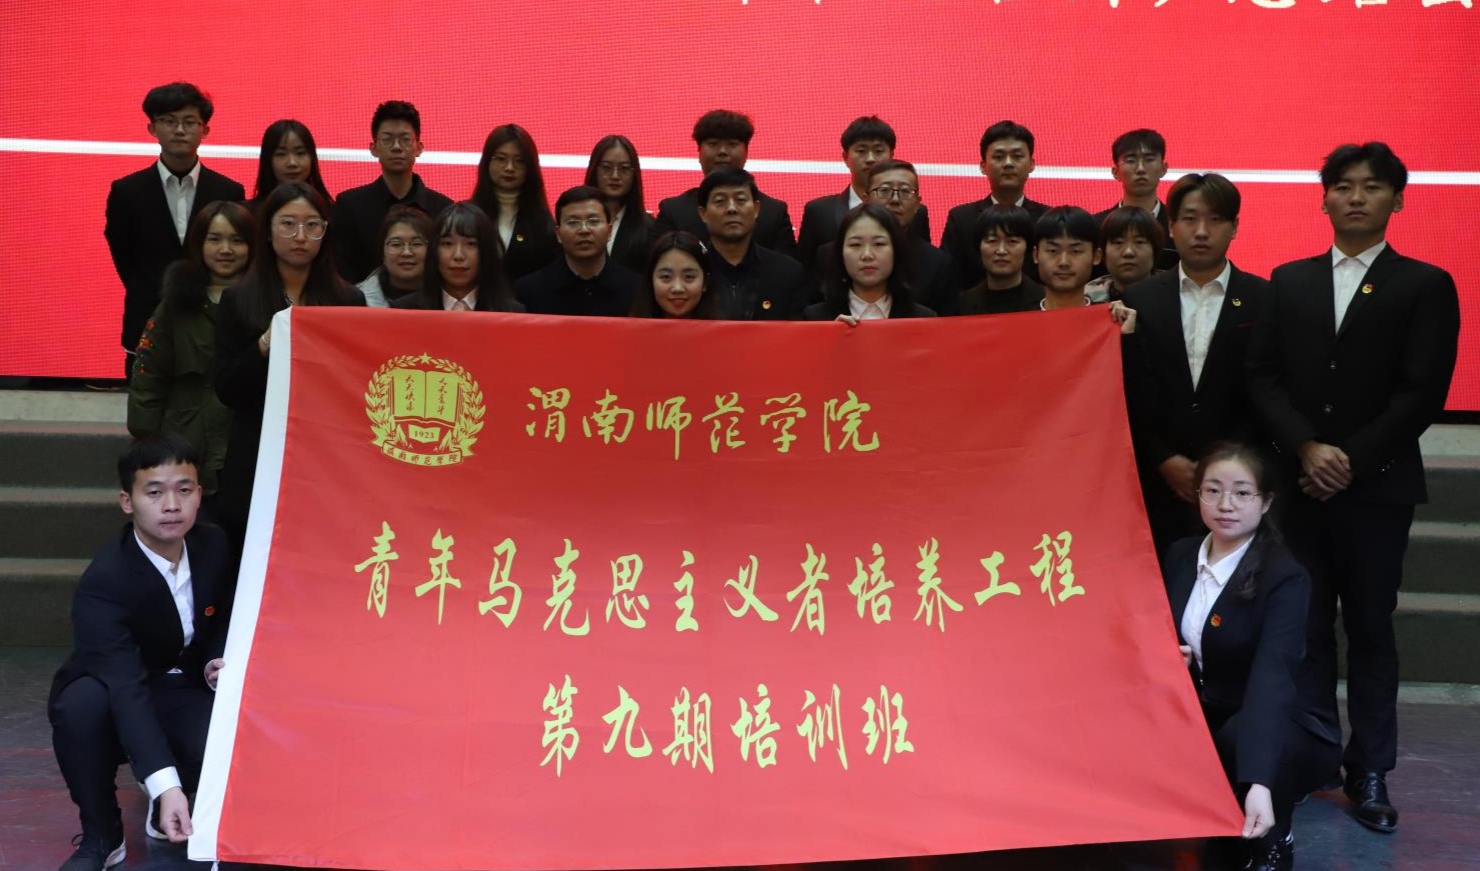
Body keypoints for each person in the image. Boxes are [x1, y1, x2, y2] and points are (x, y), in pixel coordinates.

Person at [1247, 142, 1460, 834]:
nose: (1357, 197)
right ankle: (1310, 757)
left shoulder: (1425, 284)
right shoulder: (1289, 280)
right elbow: (1263, 378)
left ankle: (1370, 768)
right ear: (1324, 199)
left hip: (1377, 489)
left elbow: (1422, 391)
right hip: (1299, 486)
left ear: (1398, 199)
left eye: (1372, 186)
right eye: (1343, 186)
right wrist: (1306, 449)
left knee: (1369, 627)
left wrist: (1349, 460)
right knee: (1302, 627)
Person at [49, 434, 233, 871]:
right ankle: (102, 834)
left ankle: (168, 799)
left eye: (184, 490)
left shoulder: (214, 545)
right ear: (126, 502)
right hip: (118, 690)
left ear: (199, 494)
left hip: (183, 684)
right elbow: (126, 687)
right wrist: (164, 782)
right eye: (154, 492)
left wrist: (216, 660)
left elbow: (226, 615)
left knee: (228, 731)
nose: (171, 505)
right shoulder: (105, 581)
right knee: (81, 707)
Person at [1162, 443, 1340, 871]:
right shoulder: (1181, 555)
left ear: (1266, 502)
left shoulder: (1285, 577)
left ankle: (1274, 838)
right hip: (1210, 708)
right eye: (1213, 490)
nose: (1226, 504)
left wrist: (1259, 780)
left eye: (1242, 493)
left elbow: (1272, 680)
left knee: (1236, 736)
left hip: (1283, 721)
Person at [1114, 174, 1269, 561]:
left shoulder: (1263, 297)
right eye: (1189, 219)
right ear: (1171, 226)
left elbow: (1267, 385)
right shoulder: (1141, 298)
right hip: (1157, 479)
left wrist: (1223, 462)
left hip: (1237, 481)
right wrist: (1163, 458)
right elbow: (1131, 388)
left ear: (1234, 226)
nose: (1201, 231)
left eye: (1215, 220)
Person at [215, 183, 365, 552]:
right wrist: (265, 344)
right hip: (258, 450)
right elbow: (228, 389)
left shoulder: (348, 299)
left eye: (312, 225)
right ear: (267, 232)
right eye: (288, 224)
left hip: (325, 453)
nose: (300, 236)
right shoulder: (238, 300)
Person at [105, 82, 246, 379]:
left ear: (205, 130)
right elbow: (123, 256)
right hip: (147, 317)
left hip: (211, 320)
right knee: (146, 403)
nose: (179, 130)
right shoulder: (126, 191)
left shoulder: (228, 191)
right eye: (169, 121)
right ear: (152, 128)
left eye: (189, 122)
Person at [128, 202, 255, 505]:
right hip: (185, 440)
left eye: (237, 240)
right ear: (199, 244)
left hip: (246, 442)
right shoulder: (176, 305)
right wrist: (148, 439)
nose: (226, 249)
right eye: (215, 239)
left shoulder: (264, 302)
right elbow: (149, 375)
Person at [333, 101, 454, 282]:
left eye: (405, 139)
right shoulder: (349, 206)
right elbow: (342, 273)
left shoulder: (443, 209)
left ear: (419, 147)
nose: (396, 147)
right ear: (373, 148)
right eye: (387, 139)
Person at [653, 109, 798, 260]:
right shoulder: (674, 211)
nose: (722, 151)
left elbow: (787, 268)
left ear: (746, 151)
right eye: (713, 144)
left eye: (732, 144)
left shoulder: (774, 212)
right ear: (699, 151)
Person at [796, 116, 932, 270]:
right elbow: (805, 270)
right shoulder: (819, 211)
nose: (870, 159)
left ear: (891, 155)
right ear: (845, 157)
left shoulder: (915, 211)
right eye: (861, 151)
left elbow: (924, 262)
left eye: (879, 151)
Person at [940, 120, 1050, 291]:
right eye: (999, 157)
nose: (1008, 163)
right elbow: (949, 280)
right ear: (983, 166)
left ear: (1031, 164)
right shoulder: (961, 219)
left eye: (1017, 156)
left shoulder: (1047, 219)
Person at [696, 166, 805, 320]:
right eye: (720, 201)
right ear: (703, 214)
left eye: (741, 200)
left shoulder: (787, 272)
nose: (732, 209)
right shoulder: (691, 272)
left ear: (756, 209)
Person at [517, 186, 638, 316]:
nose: (584, 230)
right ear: (558, 234)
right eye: (573, 222)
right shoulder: (528, 290)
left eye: (593, 221)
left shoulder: (637, 289)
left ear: (609, 231)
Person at [804, 203, 934, 321]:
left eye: (879, 244)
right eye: (855, 244)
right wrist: (830, 335)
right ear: (841, 253)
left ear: (896, 250)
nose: (867, 255)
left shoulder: (922, 319)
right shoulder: (816, 318)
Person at [394, 203, 523, 313]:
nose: (458, 256)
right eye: (447, 244)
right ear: (434, 251)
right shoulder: (404, 311)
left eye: (471, 244)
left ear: (486, 251)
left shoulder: (511, 313)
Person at [471, 123, 560, 281]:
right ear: (486, 162)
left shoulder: (544, 225)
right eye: (501, 159)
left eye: (519, 161)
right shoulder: (467, 216)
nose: (509, 168)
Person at [1093, 129, 1177, 270]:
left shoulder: (1178, 227)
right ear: (1115, 171)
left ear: (1164, 168)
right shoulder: (1096, 227)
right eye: (1131, 160)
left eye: (1149, 160)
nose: (1140, 169)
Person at [584, 134, 655, 273]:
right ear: (594, 170)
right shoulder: (574, 222)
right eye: (607, 167)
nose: (615, 176)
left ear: (634, 174)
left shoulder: (650, 229)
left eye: (624, 168)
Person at [957, 205, 1043, 315]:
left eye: (1012, 241)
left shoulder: (1046, 300)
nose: (1001, 251)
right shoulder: (962, 305)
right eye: (992, 241)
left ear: (1028, 248)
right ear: (979, 247)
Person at [247, 119, 333, 215]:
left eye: (300, 153)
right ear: (268, 160)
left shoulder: (332, 213)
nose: (292, 163)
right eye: (281, 154)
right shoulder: (247, 214)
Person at [629, 231, 717, 319]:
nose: (677, 288)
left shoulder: (723, 326)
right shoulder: (628, 327)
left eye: (689, 277)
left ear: (705, 282)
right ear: (651, 280)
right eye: (666, 277)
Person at [359, 205, 434, 307]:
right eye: (396, 244)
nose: (406, 253)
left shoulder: (451, 302)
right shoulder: (356, 301)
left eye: (416, 243)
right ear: (383, 254)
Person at [1085, 206, 1163, 303]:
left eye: (1139, 242)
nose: (1128, 252)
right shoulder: (1086, 302)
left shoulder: (1175, 296)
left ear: (1155, 250)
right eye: (1119, 242)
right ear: (1103, 253)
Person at [1032, 206, 1101, 310]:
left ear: (1096, 256)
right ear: (1036, 255)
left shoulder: (1113, 317)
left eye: (1076, 251)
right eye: (1053, 251)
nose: (1063, 262)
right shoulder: (1017, 319)